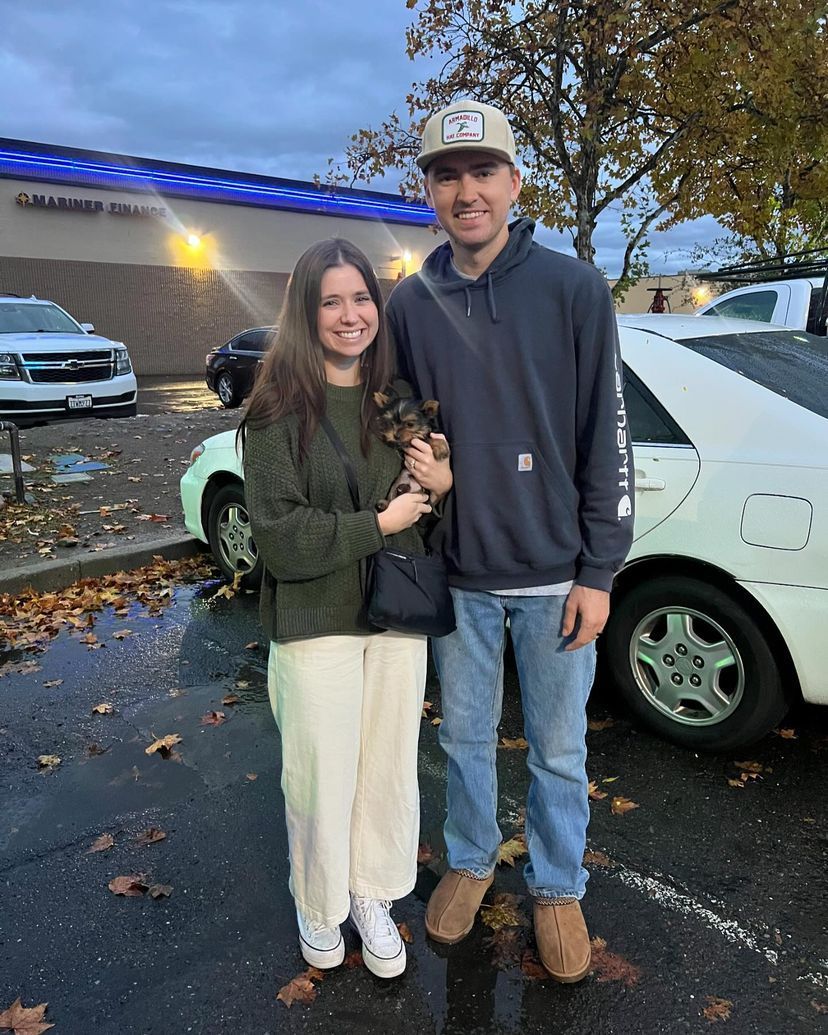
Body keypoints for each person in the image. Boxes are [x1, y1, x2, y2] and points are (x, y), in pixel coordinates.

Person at [386, 100, 635, 983]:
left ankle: (559, 886)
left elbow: (603, 432)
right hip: (458, 573)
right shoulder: (410, 302)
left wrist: (600, 568)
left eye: (482, 171)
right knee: (462, 737)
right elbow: (401, 417)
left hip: (555, 574)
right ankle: (471, 855)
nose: (467, 191)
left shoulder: (572, 288)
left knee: (561, 748)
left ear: (513, 182)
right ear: (429, 191)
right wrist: (422, 467)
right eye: (447, 175)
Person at [240, 238, 452, 979]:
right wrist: (380, 524)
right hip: (314, 620)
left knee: (387, 766)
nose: (350, 314)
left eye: (361, 297)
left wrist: (437, 485)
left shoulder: (393, 401)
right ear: (306, 310)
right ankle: (319, 897)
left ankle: (371, 893)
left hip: (393, 617)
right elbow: (281, 538)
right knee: (320, 771)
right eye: (331, 300)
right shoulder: (273, 412)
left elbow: (420, 517)